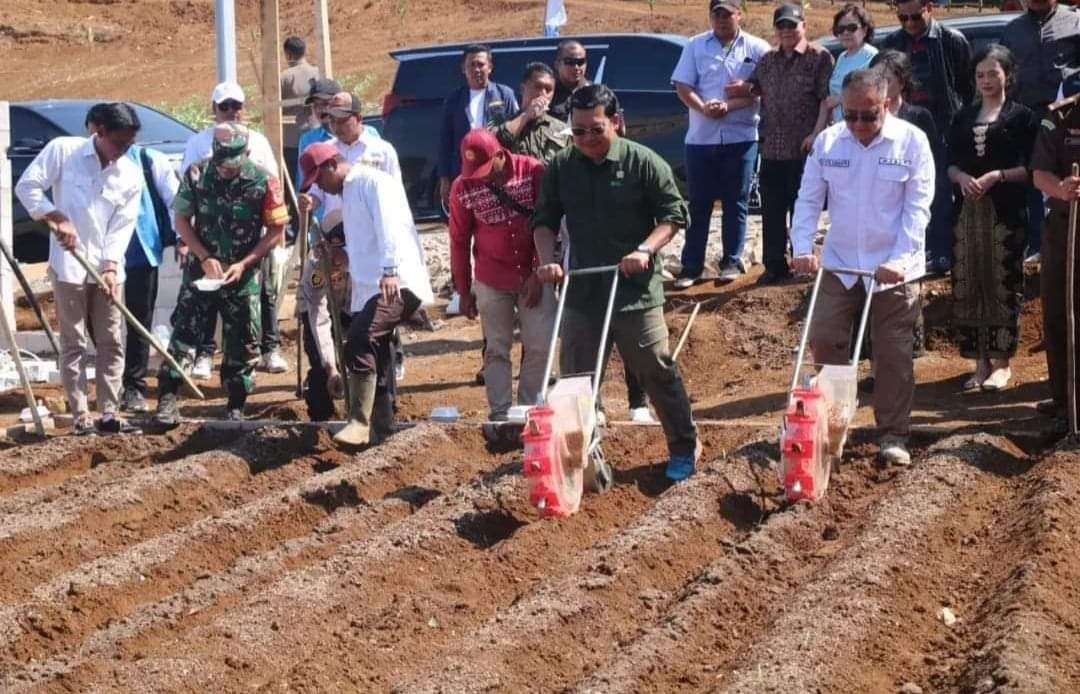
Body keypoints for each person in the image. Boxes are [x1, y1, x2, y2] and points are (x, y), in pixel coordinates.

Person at [532, 84, 700, 482]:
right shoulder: (562, 167)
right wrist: (547, 261)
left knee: (655, 369)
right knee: (574, 380)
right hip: (583, 290)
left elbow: (674, 216)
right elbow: (543, 221)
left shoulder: (644, 162)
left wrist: (645, 249)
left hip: (634, 291)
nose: (587, 139)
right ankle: (582, 455)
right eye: (578, 131)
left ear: (617, 123)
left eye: (596, 129)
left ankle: (683, 446)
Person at [790, 68, 935, 466]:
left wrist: (899, 261)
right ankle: (834, 431)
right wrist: (802, 247)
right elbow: (807, 200)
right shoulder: (829, 142)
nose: (857, 124)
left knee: (891, 354)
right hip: (839, 263)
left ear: (887, 105)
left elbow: (917, 212)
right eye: (849, 114)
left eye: (867, 116)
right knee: (825, 338)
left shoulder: (912, 142)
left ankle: (893, 434)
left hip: (893, 269)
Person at [14, 102, 144, 435]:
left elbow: (122, 225)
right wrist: (56, 218)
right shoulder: (63, 152)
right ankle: (81, 415)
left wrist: (112, 266)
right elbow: (27, 187)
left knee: (111, 340)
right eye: (117, 144)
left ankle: (109, 413)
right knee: (73, 342)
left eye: (128, 145)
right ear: (98, 132)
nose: (121, 152)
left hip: (106, 269)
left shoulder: (129, 173)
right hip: (68, 267)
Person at [299, 142, 434, 446]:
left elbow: (389, 228)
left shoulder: (371, 182)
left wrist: (389, 270)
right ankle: (382, 431)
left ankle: (359, 422)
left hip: (394, 282)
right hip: (371, 287)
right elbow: (363, 241)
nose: (320, 187)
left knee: (359, 339)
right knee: (379, 354)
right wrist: (343, 256)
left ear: (331, 165)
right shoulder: (348, 193)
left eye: (320, 179)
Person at [154, 124, 289, 425]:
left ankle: (236, 403)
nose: (226, 170)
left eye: (233, 164)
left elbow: (276, 229)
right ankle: (167, 398)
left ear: (247, 154)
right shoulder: (197, 174)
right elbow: (181, 219)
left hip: (243, 274)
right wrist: (203, 256)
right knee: (184, 333)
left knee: (243, 339)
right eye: (222, 163)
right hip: (202, 271)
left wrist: (245, 263)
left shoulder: (264, 181)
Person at [181, 82, 289, 379]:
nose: (230, 112)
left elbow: (273, 186)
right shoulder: (198, 144)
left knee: (263, 293)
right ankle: (205, 353)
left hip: (251, 239)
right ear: (213, 110)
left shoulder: (259, 142)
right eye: (224, 106)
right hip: (209, 238)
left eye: (235, 106)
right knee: (208, 296)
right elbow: (184, 196)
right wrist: (185, 241)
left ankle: (269, 347)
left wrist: (275, 236)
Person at [946, 46, 1038, 393]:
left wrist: (997, 175)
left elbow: (1032, 167)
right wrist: (961, 178)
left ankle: (1001, 364)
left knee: (1003, 282)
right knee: (969, 284)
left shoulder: (1022, 117)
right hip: (966, 216)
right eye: (980, 75)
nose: (985, 80)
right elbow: (950, 162)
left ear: (1007, 76)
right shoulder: (963, 117)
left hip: (1006, 213)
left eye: (992, 74)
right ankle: (979, 361)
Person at [84, 104, 182, 415]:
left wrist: (181, 238)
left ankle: (134, 387)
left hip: (141, 252)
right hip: (98, 257)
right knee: (99, 325)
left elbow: (174, 200)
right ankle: (108, 384)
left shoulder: (149, 161)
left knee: (139, 322)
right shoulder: (85, 162)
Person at [726, 3, 834, 285]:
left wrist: (817, 134)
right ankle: (774, 264)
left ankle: (803, 260)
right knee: (772, 210)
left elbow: (826, 100)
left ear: (804, 26)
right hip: (772, 146)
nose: (787, 31)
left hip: (804, 148)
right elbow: (755, 86)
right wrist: (743, 90)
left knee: (803, 208)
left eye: (792, 25)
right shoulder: (768, 59)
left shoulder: (819, 57)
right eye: (781, 26)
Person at [449, 130, 552, 422]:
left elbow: (547, 223)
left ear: (499, 155)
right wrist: (463, 288)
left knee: (540, 344)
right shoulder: (462, 187)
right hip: (491, 277)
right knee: (496, 347)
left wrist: (538, 271)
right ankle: (500, 414)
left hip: (534, 273)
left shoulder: (533, 171)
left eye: (485, 170)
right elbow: (459, 239)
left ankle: (529, 411)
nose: (480, 178)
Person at [670, 0, 769, 288]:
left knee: (736, 202)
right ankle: (691, 267)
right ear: (710, 16)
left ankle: (731, 261)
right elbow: (683, 86)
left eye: (728, 14)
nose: (723, 19)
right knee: (699, 204)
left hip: (741, 137)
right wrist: (702, 108)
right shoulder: (695, 46)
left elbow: (764, 89)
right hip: (701, 138)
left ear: (740, 14)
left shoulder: (757, 48)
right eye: (717, 14)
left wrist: (730, 105)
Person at [880, 0, 973, 276]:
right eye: (903, 17)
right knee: (905, 192)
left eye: (915, 17)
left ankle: (943, 254)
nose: (909, 23)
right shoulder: (892, 42)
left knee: (941, 192)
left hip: (941, 127)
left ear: (929, 8)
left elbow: (966, 89)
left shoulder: (952, 40)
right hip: (905, 123)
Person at [1001, 0, 1080, 261]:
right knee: (1033, 180)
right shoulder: (1012, 30)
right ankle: (1037, 245)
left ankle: (1069, 244)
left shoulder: (1075, 21)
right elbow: (1003, 74)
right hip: (1027, 118)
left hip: (1068, 121)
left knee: (1066, 184)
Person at [1031, 86, 1080, 424]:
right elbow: (1039, 175)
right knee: (1062, 311)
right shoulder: (1060, 116)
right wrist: (1060, 189)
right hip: (1066, 228)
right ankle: (1065, 400)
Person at [298, 92, 401, 222]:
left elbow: (395, 193)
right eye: (332, 121)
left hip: (371, 226)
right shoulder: (325, 152)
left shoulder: (382, 151)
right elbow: (316, 192)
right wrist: (309, 202)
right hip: (335, 233)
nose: (336, 127)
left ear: (358, 118)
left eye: (341, 121)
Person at [437, 44, 519, 209]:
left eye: (481, 64)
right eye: (471, 65)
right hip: (463, 172)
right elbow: (445, 140)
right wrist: (444, 178)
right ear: (463, 68)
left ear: (490, 67)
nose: (476, 69)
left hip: (496, 172)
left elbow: (517, 135)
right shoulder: (454, 99)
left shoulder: (505, 95)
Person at [297, 209, 352, 421]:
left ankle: (377, 409)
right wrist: (331, 368)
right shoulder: (316, 266)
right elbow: (318, 318)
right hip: (317, 309)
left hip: (353, 307)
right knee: (319, 360)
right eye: (332, 251)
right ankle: (321, 418)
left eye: (342, 253)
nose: (336, 260)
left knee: (365, 352)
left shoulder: (367, 258)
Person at [815, 3, 877, 130]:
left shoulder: (872, 55)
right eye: (841, 29)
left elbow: (874, 93)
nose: (846, 32)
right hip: (841, 127)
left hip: (862, 126)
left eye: (852, 27)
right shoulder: (842, 57)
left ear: (864, 30)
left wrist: (839, 99)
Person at [494, 62, 570, 163]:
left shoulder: (562, 129)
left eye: (548, 89)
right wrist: (526, 115)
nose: (543, 93)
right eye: (538, 87)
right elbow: (496, 142)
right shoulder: (501, 122)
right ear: (522, 88)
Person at [280, 35, 320, 184]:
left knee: (291, 181)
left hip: (292, 141)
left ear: (288, 54)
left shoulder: (285, 77)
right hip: (315, 134)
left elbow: (276, 108)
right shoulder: (318, 72)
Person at [549, 39, 589, 120]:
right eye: (570, 62)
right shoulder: (547, 94)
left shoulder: (597, 93)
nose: (576, 67)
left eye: (581, 62)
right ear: (557, 64)